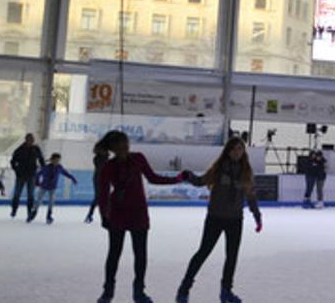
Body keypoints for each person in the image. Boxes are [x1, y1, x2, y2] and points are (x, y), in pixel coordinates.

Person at [96, 130, 186, 303]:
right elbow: (103, 193)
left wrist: (177, 179)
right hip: (118, 214)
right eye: (120, 146)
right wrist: (104, 215)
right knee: (114, 254)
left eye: (126, 144)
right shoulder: (109, 166)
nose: (124, 148)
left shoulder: (138, 158)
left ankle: (139, 292)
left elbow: (153, 178)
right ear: (113, 148)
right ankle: (108, 292)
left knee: (140, 255)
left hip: (138, 214)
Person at [176, 138, 263, 303]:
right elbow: (201, 181)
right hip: (215, 218)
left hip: (235, 220)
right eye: (234, 149)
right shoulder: (219, 168)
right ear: (228, 150)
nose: (237, 152)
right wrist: (188, 176)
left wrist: (257, 216)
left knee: (232, 257)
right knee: (203, 252)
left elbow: (251, 196)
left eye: (240, 149)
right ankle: (184, 288)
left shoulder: (246, 171)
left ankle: (226, 292)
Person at [31, 152, 77, 224]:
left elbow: (65, 173)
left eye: (58, 160)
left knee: (51, 202)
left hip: (52, 188)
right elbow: (38, 174)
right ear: (52, 160)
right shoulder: (46, 167)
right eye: (55, 160)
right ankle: (34, 213)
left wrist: (72, 178)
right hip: (44, 186)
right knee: (38, 200)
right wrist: (37, 182)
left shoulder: (59, 167)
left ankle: (49, 215)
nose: (57, 162)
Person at [9, 132, 45, 220]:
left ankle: (29, 212)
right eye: (29, 139)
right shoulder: (19, 149)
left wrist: (43, 168)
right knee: (17, 194)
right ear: (26, 140)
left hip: (32, 175)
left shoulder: (36, 149)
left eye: (32, 140)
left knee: (31, 195)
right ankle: (14, 209)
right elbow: (13, 161)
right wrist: (16, 170)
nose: (31, 141)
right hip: (21, 175)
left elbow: (41, 159)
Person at [86, 141, 110, 224]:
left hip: (105, 178)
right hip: (98, 178)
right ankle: (91, 214)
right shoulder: (98, 158)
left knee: (105, 197)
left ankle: (106, 215)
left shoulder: (105, 157)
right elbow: (101, 168)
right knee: (98, 197)